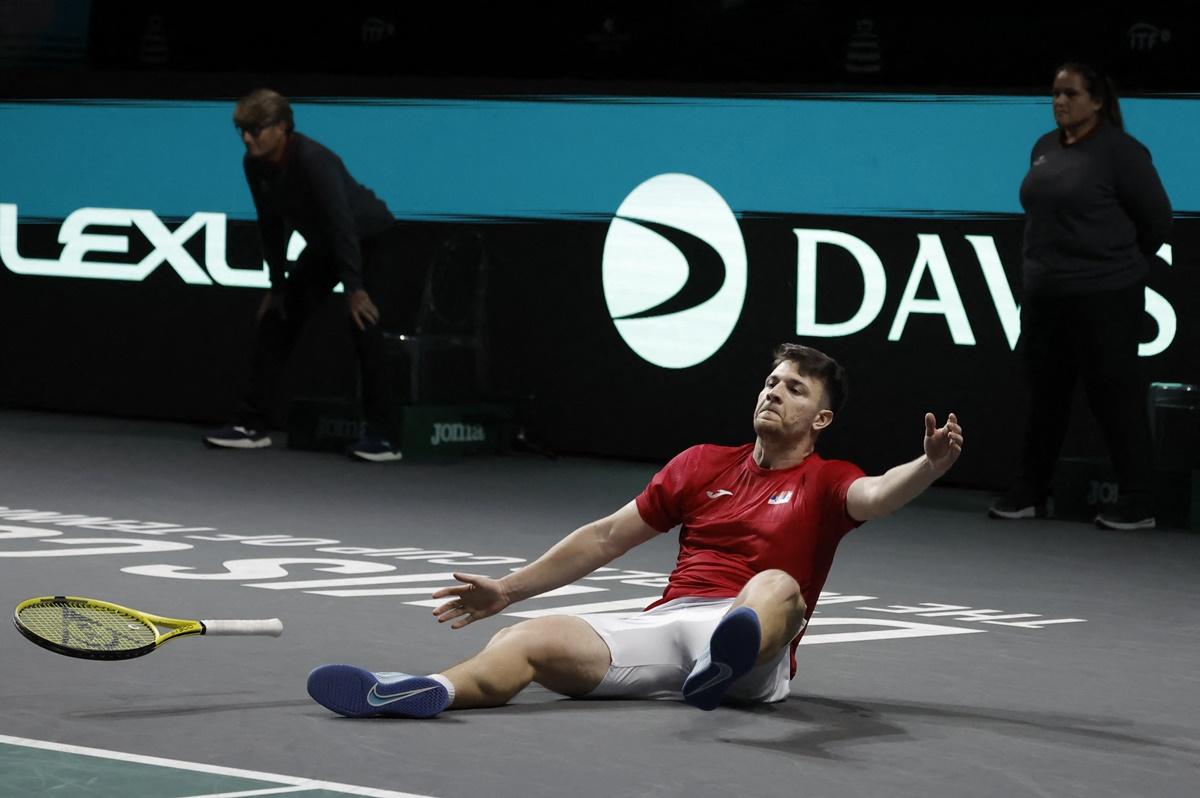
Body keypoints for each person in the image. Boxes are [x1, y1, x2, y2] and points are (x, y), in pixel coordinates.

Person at [305, 343, 965, 717]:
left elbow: (877, 497)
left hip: (755, 650)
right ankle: (430, 689)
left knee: (776, 587)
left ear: (820, 421)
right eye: (770, 382)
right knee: (525, 640)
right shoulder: (700, 464)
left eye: (794, 390)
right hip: (670, 623)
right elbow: (605, 538)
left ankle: (724, 659)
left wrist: (928, 466)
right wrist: (508, 590)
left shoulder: (827, 481)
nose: (773, 393)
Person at [988, 62, 1172, 529]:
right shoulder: (1045, 148)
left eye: (1070, 94)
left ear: (1096, 101)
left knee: (1115, 396)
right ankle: (1030, 492)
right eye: (1054, 93)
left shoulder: (1123, 152)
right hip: (1046, 296)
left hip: (1107, 295)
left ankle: (1139, 500)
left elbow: (1156, 220)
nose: (1060, 102)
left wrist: (1111, 264)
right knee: (1045, 396)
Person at [204, 89, 415, 462]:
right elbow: (270, 224)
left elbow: (341, 223)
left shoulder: (314, 160)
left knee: (365, 327)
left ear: (282, 127)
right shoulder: (253, 164)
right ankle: (250, 425)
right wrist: (278, 286)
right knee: (277, 319)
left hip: (370, 239)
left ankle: (384, 438)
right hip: (324, 246)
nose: (247, 139)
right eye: (242, 131)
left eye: (255, 130)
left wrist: (355, 288)